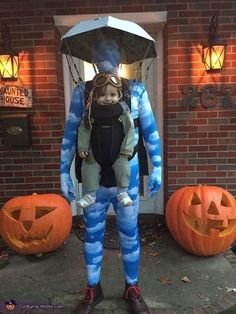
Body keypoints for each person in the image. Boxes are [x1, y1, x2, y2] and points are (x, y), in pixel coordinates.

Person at [60, 39, 162, 314]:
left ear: (119, 60)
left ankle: (132, 287)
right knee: (93, 236)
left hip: (125, 180)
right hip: (94, 177)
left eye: (111, 57)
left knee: (129, 234)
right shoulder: (84, 92)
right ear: (93, 61)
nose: (106, 61)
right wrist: (63, 172)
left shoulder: (136, 90)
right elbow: (71, 132)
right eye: (101, 57)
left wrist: (158, 166)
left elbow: (150, 130)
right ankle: (93, 287)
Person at [77, 72, 134, 208]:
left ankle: (122, 192)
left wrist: (127, 148)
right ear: (95, 96)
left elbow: (130, 129)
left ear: (119, 95)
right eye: (102, 95)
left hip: (117, 151)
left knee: (123, 167)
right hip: (96, 151)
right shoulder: (91, 112)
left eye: (112, 95)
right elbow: (84, 129)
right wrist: (83, 147)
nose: (107, 98)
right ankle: (90, 195)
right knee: (88, 166)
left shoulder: (122, 111)